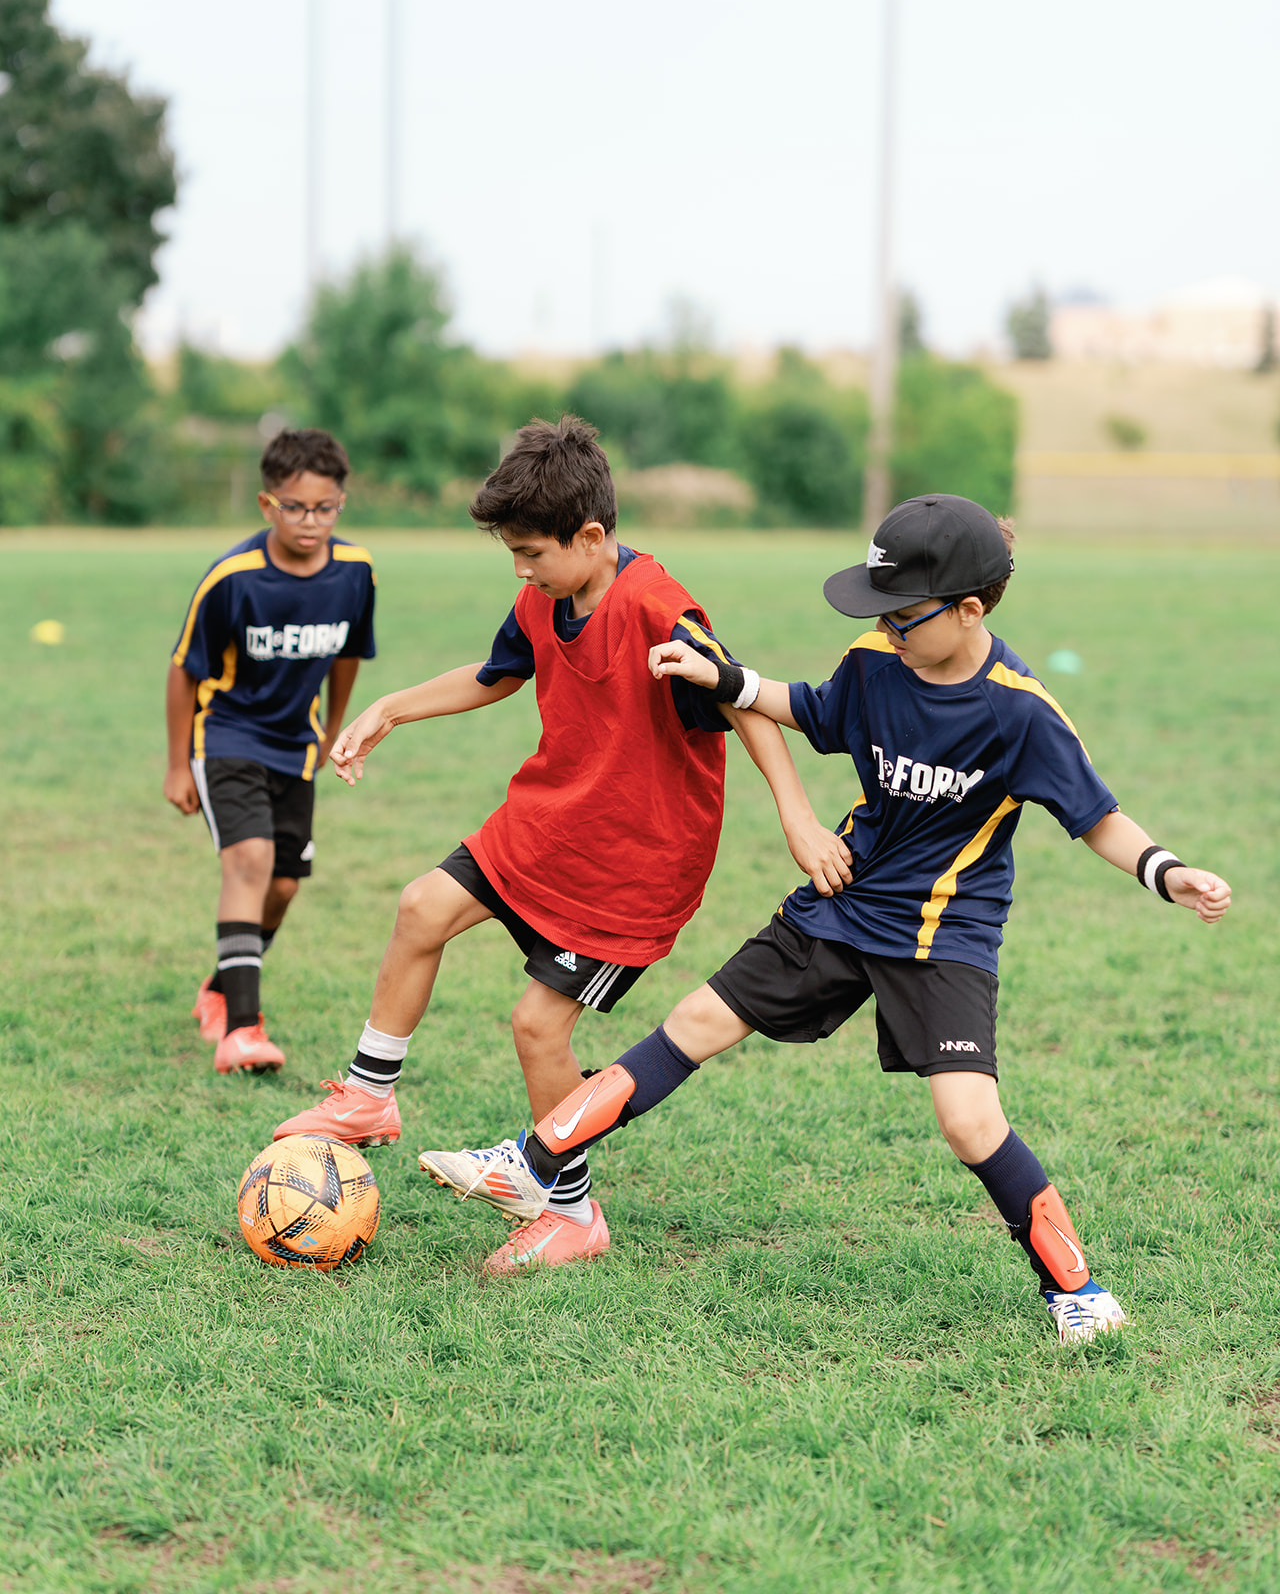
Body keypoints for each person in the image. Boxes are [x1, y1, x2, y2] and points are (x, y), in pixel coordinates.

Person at [425, 493, 1232, 1341]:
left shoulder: (1020, 711)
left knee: (969, 1122)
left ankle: (1076, 1289)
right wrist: (727, 679)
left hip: (941, 934)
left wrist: (1165, 872)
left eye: (903, 618)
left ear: (968, 610)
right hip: (843, 901)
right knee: (695, 1021)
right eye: (879, 617)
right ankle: (534, 1157)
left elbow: (1096, 817)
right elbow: (812, 708)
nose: (886, 632)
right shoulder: (877, 660)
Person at [273, 414, 845, 1273]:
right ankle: (367, 1097)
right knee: (421, 906)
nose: (521, 570)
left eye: (532, 553)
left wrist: (797, 818)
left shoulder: (659, 607)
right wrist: (391, 706)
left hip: (633, 862)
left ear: (589, 535)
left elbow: (743, 703)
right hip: (550, 821)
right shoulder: (546, 595)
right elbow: (498, 673)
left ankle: (572, 1213)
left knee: (538, 1025)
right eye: (513, 555)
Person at [165, 428, 376, 1074]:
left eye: (324, 507)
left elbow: (347, 654)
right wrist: (178, 764)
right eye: (294, 507)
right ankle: (243, 1030)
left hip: (295, 743)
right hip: (226, 733)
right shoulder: (234, 577)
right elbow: (183, 669)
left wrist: (333, 726)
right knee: (250, 862)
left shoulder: (355, 572)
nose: (309, 522)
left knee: (282, 886)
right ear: (267, 505)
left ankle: (220, 989)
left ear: (341, 503)